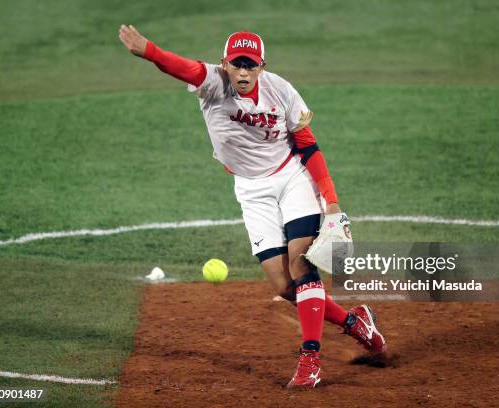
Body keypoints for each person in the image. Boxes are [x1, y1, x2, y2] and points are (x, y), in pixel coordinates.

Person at [118, 26, 386, 389]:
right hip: (250, 189)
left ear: (261, 66)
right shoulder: (213, 83)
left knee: (301, 261)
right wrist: (149, 50)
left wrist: (331, 201)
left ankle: (310, 360)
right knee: (283, 283)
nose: (243, 73)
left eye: (251, 65)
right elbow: (182, 67)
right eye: (236, 64)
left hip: (292, 178)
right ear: (225, 63)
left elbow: (308, 146)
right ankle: (355, 323)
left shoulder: (282, 91)